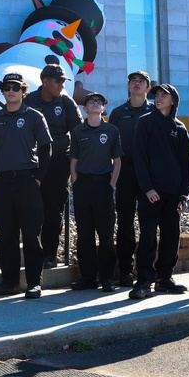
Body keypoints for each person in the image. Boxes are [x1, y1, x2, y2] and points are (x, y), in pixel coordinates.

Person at [0, 73, 52, 299]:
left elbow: (46, 149)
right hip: (3, 182)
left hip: (27, 180)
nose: (10, 91)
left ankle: (34, 283)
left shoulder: (35, 116)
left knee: (31, 235)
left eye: (15, 87)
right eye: (6, 87)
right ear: (2, 91)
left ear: (23, 91)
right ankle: (10, 282)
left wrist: (39, 177)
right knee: (6, 235)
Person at [131, 83, 189, 300]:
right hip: (151, 193)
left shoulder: (180, 128)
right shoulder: (145, 123)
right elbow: (139, 158)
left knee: (171, 236)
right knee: (148, 236)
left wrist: (184, 194)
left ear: (173, 100)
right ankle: (144, 281)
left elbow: (188, 165)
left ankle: (164, 278)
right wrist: (147, 188)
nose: (158, 97)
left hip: (173, 194)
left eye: (163, 95)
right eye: (156, 94)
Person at [20, 64, 83, 268]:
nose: (61, 85)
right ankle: (29, 250)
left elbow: (79, 132)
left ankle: (49, 254)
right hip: (33, 162)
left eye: (63, 81)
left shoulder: (66, 102)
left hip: (58, 162)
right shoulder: (28, 101)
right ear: (45, 81)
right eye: (58, 81)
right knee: (28, 208)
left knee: (53, 210)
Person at [69, 92, 122, 292]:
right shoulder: (77, 131)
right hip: (83, 185)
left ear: (103, 109)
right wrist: (75, 181)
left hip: (103, 186)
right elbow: (73, 160)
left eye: (98, 102)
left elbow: (117, 161)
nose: (94, 104)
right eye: (91, 101)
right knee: (84, 234)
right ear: (85, 108)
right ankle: (88, 277)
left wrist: (111, 184)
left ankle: (107, 278)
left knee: (106, 234)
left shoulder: (111, 130)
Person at [107, 71, 154, 286]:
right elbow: (111, 145)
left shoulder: (155, 111)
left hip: (149, 172)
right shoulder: (117, 113)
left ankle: (147, 272)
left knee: (148, 223)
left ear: (148, 88)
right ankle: (126, 270)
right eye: (133, 81)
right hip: (125, 170)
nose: (137, 84)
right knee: (125, 222)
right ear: (128, 86)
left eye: (141, 82)